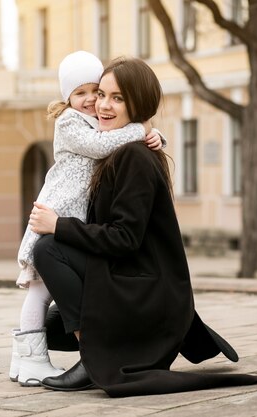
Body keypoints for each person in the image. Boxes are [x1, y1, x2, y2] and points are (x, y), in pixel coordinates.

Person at [29, 56, 257, 397]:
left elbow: (124, 238)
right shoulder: (117, 148)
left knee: (48, 249)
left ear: (138, 104)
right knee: (52, 327)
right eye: (101, 95)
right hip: (135, 280)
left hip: (148, 291)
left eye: (118, 98)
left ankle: (92, 358)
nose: (103, 105)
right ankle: (104, 344)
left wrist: (59, 226)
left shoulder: (134, 157)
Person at [10, 51, 167, 387]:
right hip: (59, 214)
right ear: (66, 97)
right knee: (39, 294)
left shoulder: (112, 135)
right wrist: (143, 128)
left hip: (87, 237)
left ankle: (76, 355)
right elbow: (101, 145)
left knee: (44, 289)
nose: (93, 102)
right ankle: (30, 358)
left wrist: (153, 133)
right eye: (81, 94)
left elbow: (113, 140)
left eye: (96, 92)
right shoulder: (71, 122)